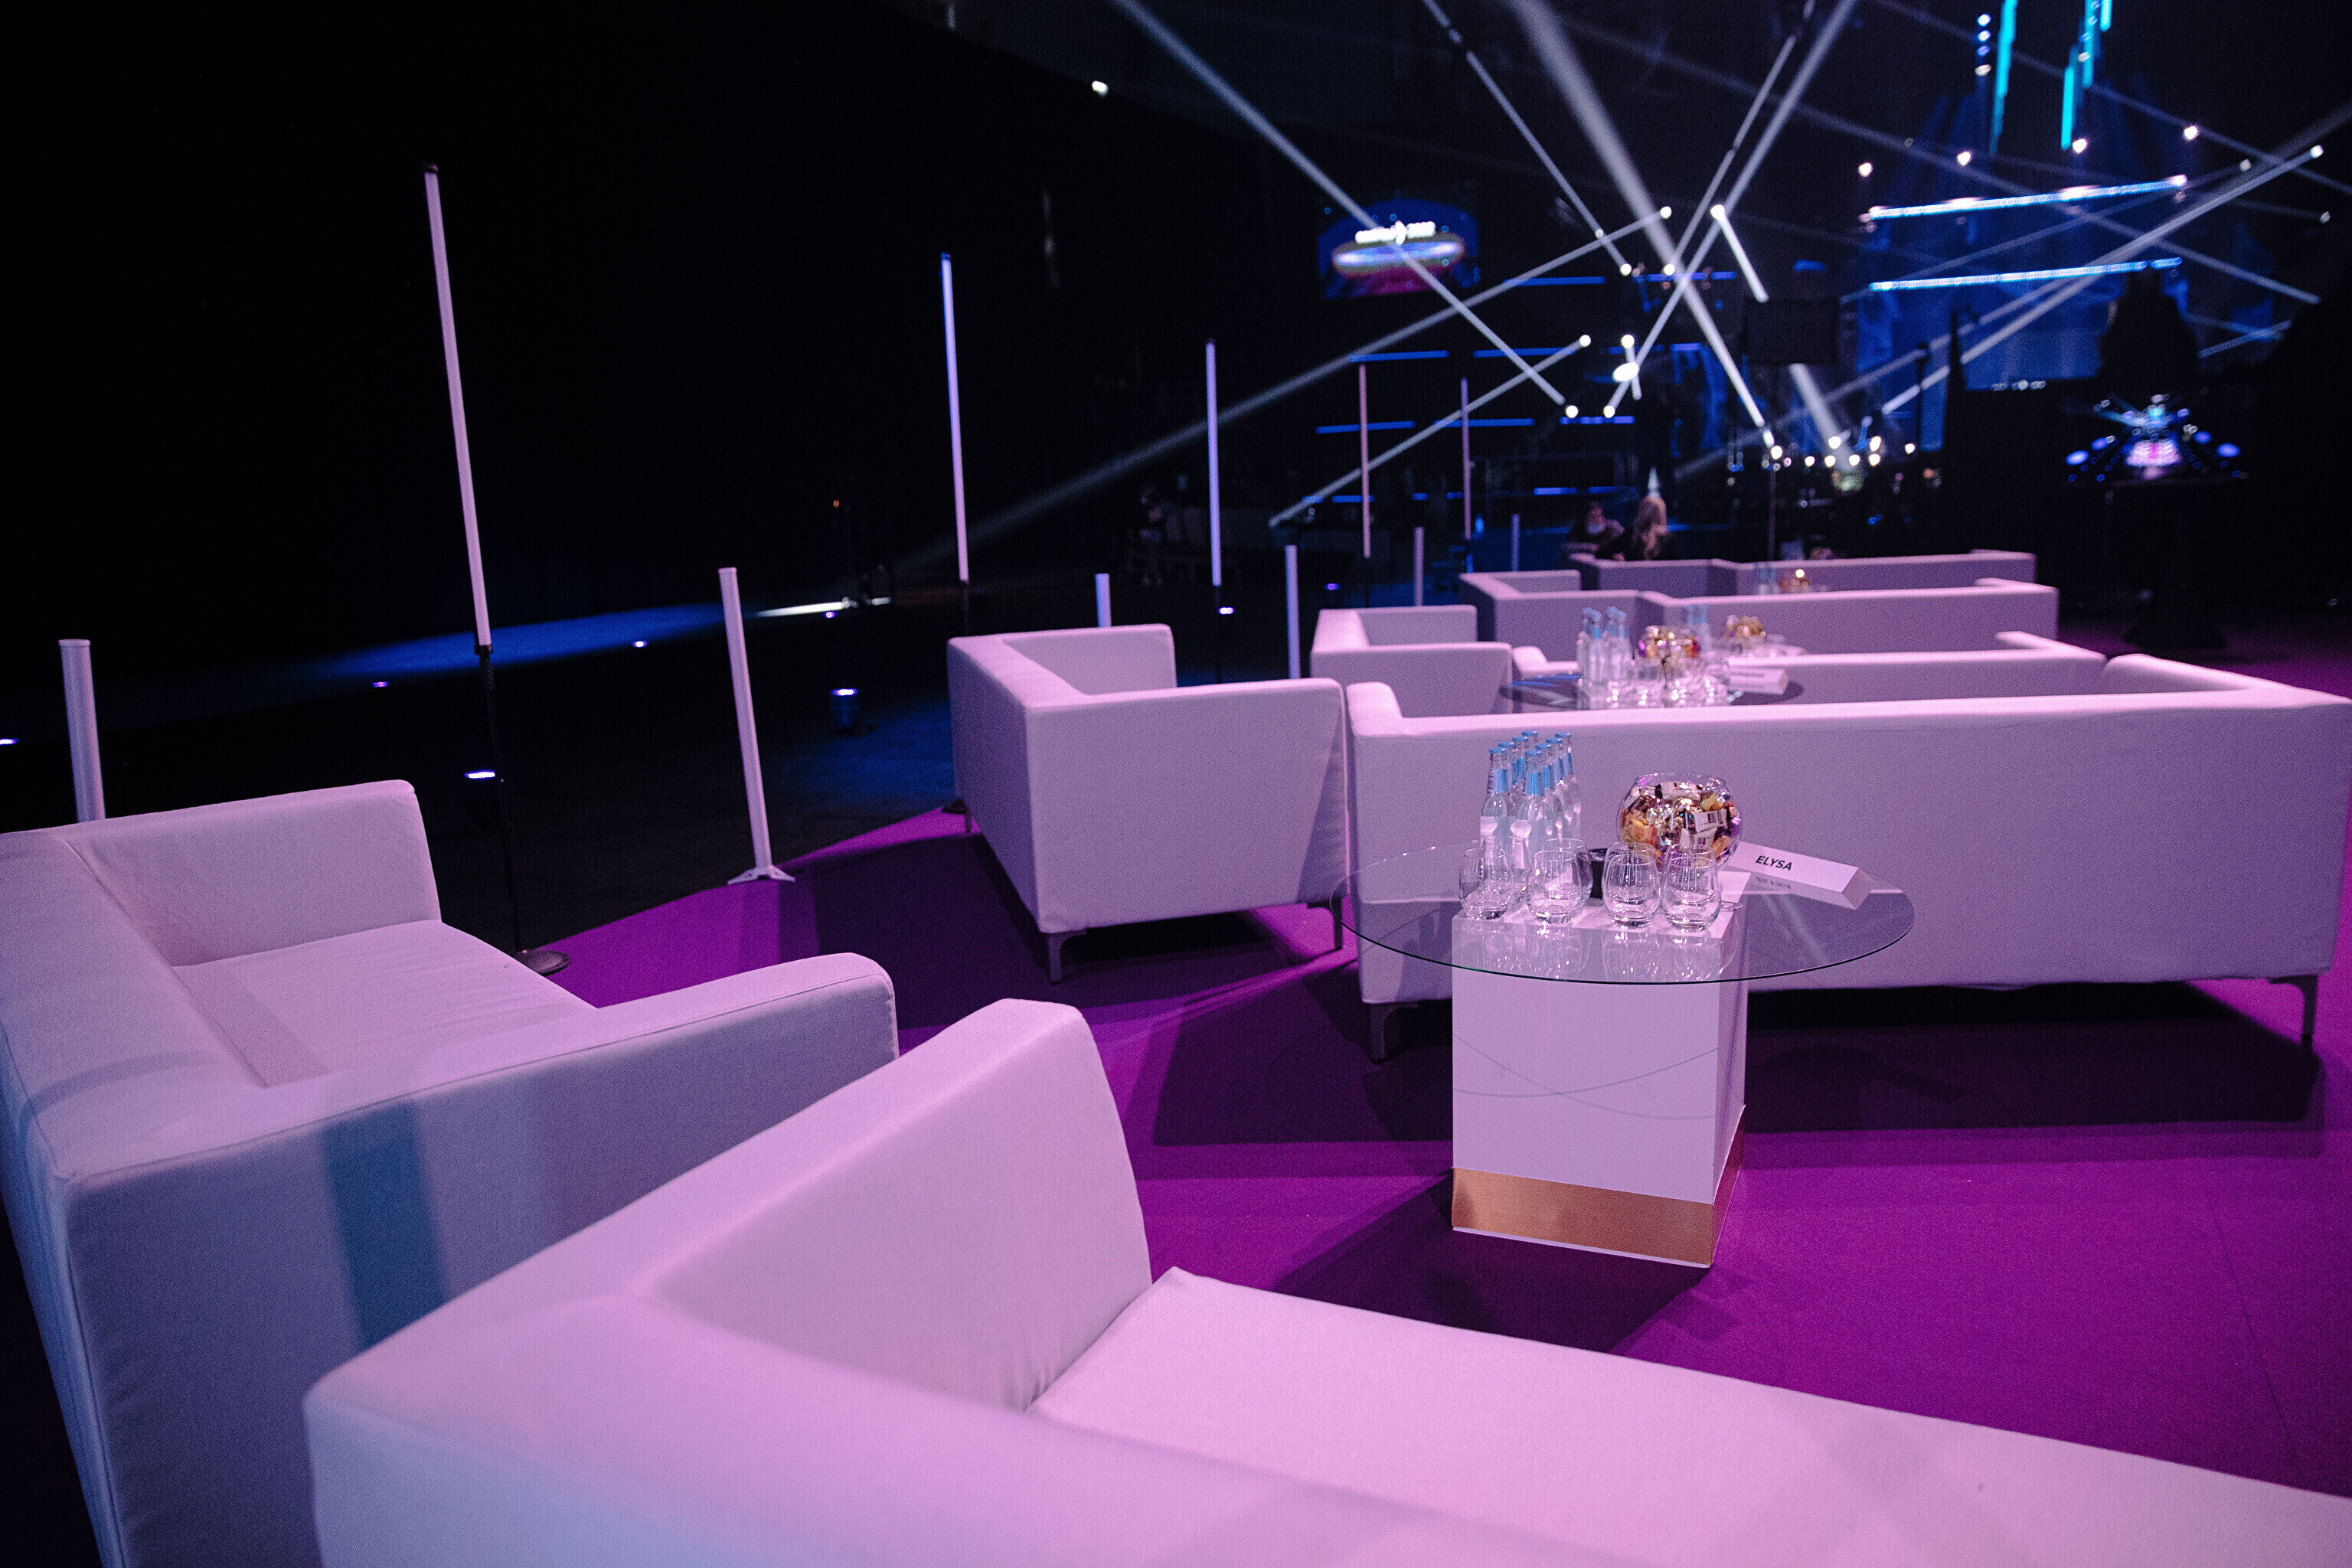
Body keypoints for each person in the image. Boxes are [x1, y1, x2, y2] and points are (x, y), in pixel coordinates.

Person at [1623, 495, 1675, 560]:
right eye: (1647, 509)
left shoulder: (1667, 539)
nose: (1649, 514)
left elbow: (1674, 562)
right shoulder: (1630, 534)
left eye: (1654, 511)